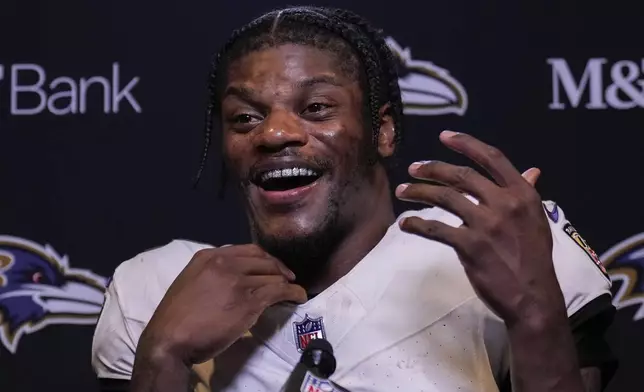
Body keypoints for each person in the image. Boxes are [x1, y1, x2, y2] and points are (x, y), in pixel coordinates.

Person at [91, 6, 616, 392]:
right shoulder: (156, 290)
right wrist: (161, 357)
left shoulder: (486, 251)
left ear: (382, 131)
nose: (274, 134)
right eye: (245, 118)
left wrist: (534, 315)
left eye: (316, 107)